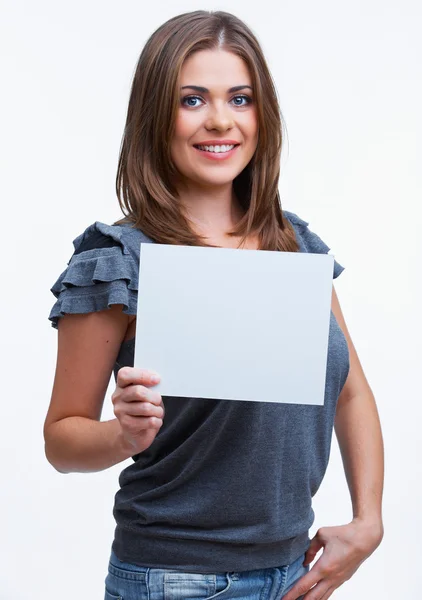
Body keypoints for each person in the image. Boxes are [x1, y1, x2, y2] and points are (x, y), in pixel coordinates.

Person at [43, 10, 384, 600]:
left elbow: (350, 389)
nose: (221, 120)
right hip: (176, 579)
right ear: (157, 115)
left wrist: (368, 521)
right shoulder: (122, 257)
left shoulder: (292, 244)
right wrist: (122, 435)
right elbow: (61, 438)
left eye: (241, 99)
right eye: (193, 100)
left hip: (295, 574)